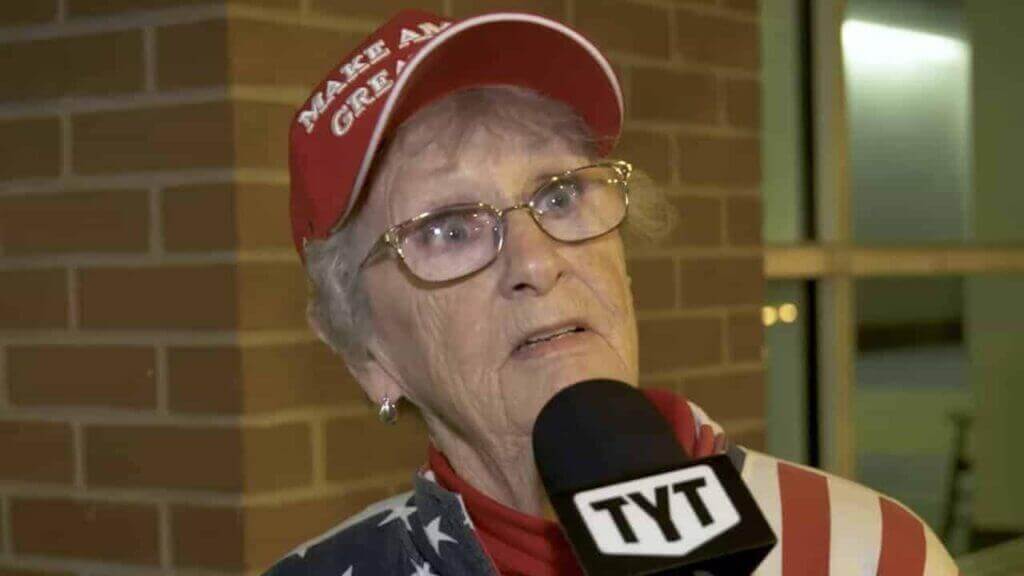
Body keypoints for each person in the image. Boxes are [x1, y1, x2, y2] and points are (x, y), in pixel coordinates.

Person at [271, 9, 958, 576]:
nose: (537, 264)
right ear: (367, 354)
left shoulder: (866, 552)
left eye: (561, 194)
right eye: (449, 230)